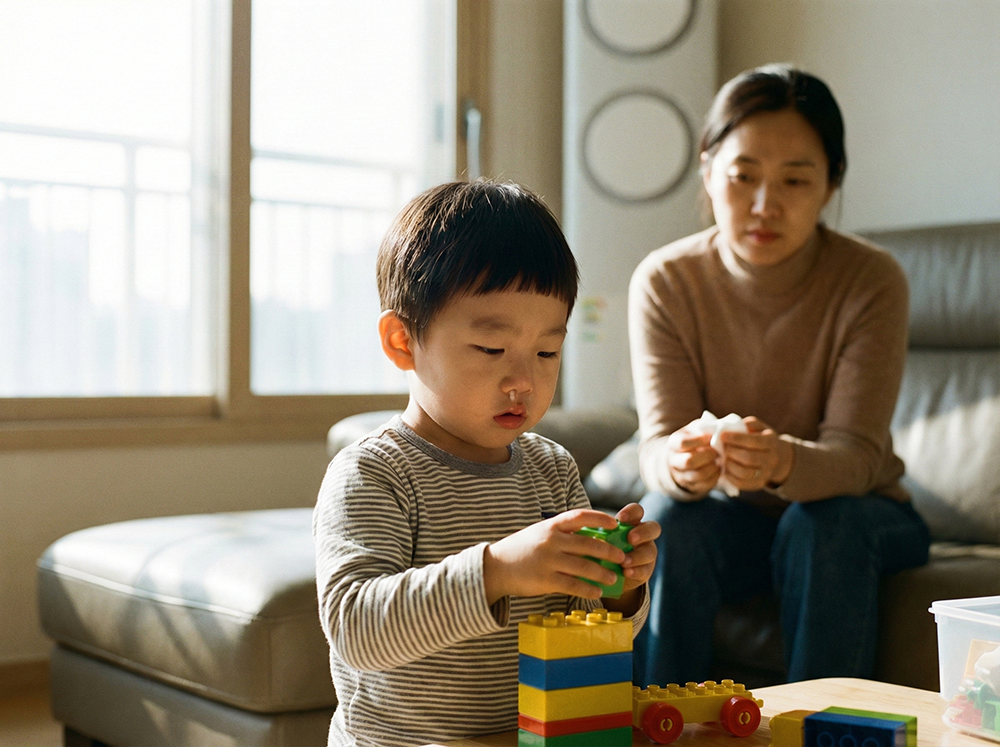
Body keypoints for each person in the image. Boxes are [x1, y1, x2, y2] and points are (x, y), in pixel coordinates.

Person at [314, 179, 659, 747]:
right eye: (492, 349)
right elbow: (357, 629)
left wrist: (616, 588)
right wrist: (497, 570)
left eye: (547, 351)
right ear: (402, 341)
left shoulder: (551, 469)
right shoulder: (375, 474)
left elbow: (582, 623)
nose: (523, 379)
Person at [627, 64, 930, 687]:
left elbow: (859, 457)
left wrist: (780, 463)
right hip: (730, 524)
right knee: (670, 521)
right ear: (709, 170)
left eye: (796, 179)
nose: (766, 205)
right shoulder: (666, 281)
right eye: (743, 177)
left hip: (862, 515)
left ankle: (822, 728)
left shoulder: (871, 280)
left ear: (831, 185)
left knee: (822, 524)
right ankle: (660, 726)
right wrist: (680, 466)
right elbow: (656, 446)